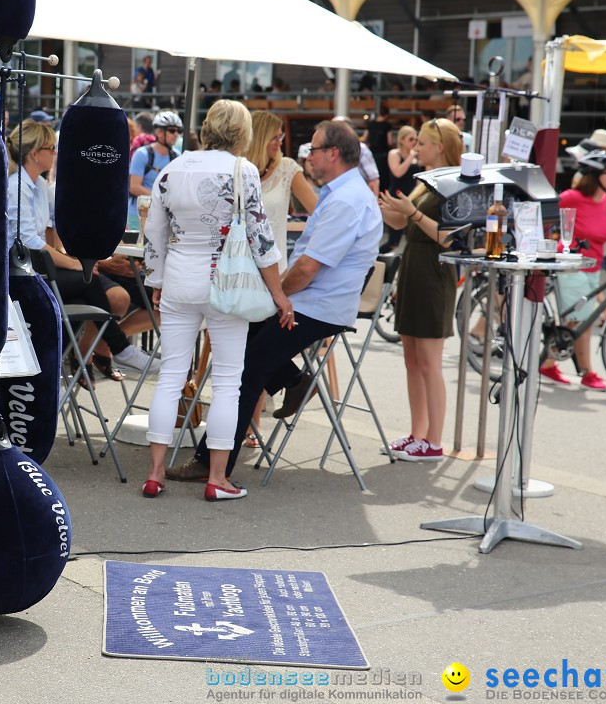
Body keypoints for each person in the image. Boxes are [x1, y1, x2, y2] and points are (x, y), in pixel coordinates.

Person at [162, 119, 381, 489]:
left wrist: (272, 295)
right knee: (240, 329)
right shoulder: (340, 193)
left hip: (319, 306)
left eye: (313, 148)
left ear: (332, 153)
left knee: (245, 365)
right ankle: (295, 380)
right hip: (312, 300)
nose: (307, 155)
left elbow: (309, 268)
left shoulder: (346, 199)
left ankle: (213, 463)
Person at [142, 100, 290, 501]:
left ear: (207, 128)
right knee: (228, 381)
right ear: (243, 133)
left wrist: (156, 279)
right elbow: (261, 239)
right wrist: (278, 294)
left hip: (179, 279)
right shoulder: (243, 171)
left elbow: (154, 232)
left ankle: (155, 473)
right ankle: (218, 479)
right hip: (226, 283)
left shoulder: (172, 169)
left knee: (171, 374)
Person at [5, 120, 157, 376]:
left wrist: (73, 260)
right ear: (34, 154)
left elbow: (53, 230)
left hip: (39, 268)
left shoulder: (39, 186)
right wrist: (74, 263)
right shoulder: (17, 187)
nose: (55, 153)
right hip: (21, 272)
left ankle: (54, 360)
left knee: (86, 289)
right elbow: (30, 241)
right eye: (51, 148)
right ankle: (118, 348)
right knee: (87, 280)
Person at [377, 118, 464, 462]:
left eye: (423, 143)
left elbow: (448, 236)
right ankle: (418, 433)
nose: (416, 148)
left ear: (440, 147)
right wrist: (390, 210)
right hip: (415, 267)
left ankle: (434, 440)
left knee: (429, 362)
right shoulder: (425, 180)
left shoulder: (453, 183)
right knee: (412, 359)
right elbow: (405, 221)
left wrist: (409, 211)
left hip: (433, 270)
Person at [241, 111, 319, 445]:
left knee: (251, 343)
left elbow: (319, 213)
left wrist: (303, 258)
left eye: (281, 137)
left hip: (274, 272)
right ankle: (294, 379)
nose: (280, 143)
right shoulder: (239, 166)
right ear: (258, 137)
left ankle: (248, 424)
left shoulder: (288, 169)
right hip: (238, 272)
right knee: (246, 343)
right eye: (274, 137)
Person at [539, 150, 606, 390]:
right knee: (578, 320)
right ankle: (582, 370)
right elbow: (545, 214)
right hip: (572, 266)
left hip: (594, 267)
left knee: (583, 322)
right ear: (595, 175)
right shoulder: (572, 197)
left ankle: (557, 364)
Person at [129, 111, 182, 230]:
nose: (176, 134)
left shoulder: (176, 156)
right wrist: (161, 198)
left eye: (178, 131)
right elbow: (134, 187)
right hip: (138, 215)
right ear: (159, 132)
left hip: (162, 217)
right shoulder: (142, 154)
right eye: (172, 131)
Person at [383, 125, 422, 253]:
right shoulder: (394, 154)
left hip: (411, 198)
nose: (414, 142)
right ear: (402, 140)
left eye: (416, 139)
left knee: (412, 236)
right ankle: (376, 261)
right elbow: (397, 172)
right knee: (393, 241)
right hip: (397, 197)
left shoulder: (417, 156)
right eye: (411, 139)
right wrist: (411, 156)